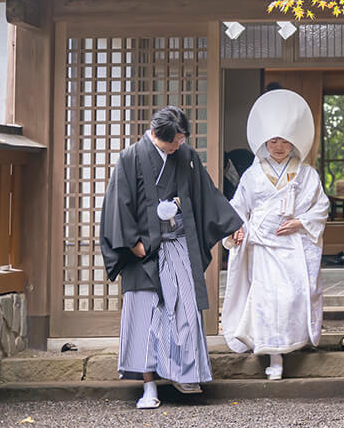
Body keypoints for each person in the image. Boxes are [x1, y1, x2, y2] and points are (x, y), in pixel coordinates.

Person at [100, 106, 243, 409]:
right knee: (145, 318)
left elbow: (207, 193)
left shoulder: (187, 156)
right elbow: (118, 202)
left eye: (181, 140)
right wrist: (132, 243)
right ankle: (148, 386)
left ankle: (185, 374)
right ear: (156, 135)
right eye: (173, 142)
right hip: (143, 251)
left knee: (184, 313)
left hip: (177, 244)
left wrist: (233, 224)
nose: (178, 146)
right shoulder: (131, 157)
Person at [220, 89, 329, 380]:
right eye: (273, 140)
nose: (278, 146)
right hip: (262, 245)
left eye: (283, 140)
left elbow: (321, 207)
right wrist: (238, 229)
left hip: (291, 245)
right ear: (265, 142)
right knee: (267, 299)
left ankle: (293, 342)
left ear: (292, 141)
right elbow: (238, 208)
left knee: (293, 295)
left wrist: (301, 223)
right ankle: (274, 355)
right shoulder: (252, 176)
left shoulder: (306, 175)